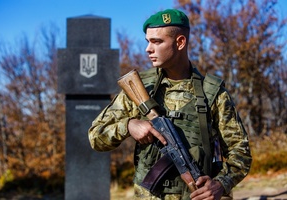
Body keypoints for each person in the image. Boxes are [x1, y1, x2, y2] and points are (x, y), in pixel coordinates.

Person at [88, 9, 252, 200]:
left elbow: (240, 151)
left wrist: (220, 184)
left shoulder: (212, 92)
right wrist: (128, 125)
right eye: (147, 41)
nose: (148, 49)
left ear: (180, 42)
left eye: (156, 41)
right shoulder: (141, 87)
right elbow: (95, 136)